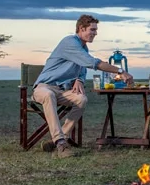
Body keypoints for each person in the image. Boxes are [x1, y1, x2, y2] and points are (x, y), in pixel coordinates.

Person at [33, 14, 134, 158]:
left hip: (62, 90)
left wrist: (79, 79)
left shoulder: (83, 47)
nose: (95, 33)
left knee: (81, 100)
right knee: (49, 95)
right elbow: (92, 63)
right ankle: (61, 144)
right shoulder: (70, 42)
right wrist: (120, 70)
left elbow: (83, 68)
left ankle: (59, 139)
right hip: (44, 87)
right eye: (92, 30)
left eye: (95, 30)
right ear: (81, 28)